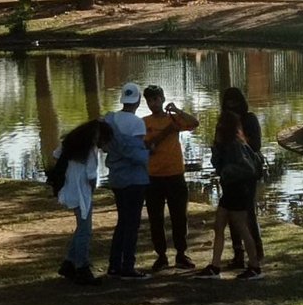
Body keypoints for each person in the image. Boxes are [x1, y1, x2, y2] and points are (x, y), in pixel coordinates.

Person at [195, 109, 263, 280]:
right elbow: (217, 164)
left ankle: (254, 266)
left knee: (242, 228)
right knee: (219, 226)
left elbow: (248, 168)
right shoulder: (224, 146)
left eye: (219, 126)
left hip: (238, 191)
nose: (217, 128)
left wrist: (228, 170)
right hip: (229, 190)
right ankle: (215, 266)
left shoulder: (236, 145)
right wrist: (215, 148)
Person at [142, 84, 199, 272]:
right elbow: (144, 146)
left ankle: (181, 254)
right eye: (150, 100)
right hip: (153, 177)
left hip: (175, 175)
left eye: (156, 99)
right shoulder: (144, 122)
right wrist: (164, 134)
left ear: (163, 99)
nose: (153, 103)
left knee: (179, 216)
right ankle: (161, 256)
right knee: (155, 218)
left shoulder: (174, 118)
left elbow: (194, 123)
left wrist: (177, 110)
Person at [55, 118, 114, 286]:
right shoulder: (89, 151)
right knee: (85, 231)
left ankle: (68, 263)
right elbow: (91, 177)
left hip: (69, 189)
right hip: (82, 193)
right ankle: (82, 267)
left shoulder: (71, 144)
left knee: (82, 228)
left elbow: (55, 155)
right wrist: (92, 190)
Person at [104, 82, 150, 279]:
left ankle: (114, 265)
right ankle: (128, 266)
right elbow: (137, 153)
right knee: (132, 223)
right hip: (135, 179)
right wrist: (149, 152)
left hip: (116, 178)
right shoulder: (137, 123)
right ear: (138, 100)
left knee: (122, 221)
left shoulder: (109, 121)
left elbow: (106, 147)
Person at [220, 87, 264, 269]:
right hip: (229, 173)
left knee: (248, 213)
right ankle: (238, 254)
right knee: (231, 214)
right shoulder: (224, 121)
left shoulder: (250, 119)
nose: (231, 106)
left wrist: (239, 138)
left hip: (247, 173)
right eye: (228, 102)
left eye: (234, 102)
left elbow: (256, 145)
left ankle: (257, 253)